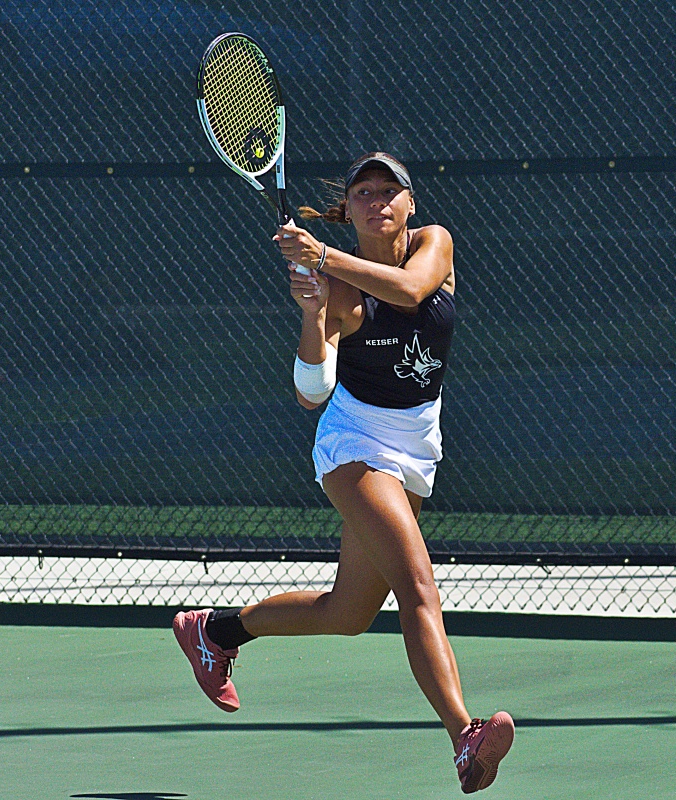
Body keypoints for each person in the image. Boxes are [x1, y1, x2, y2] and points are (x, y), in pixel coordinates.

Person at [173, 152, 513, 793]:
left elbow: (412, 293)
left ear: (410, 204)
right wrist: (312, 310)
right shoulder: (337, 288)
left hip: (416, 446)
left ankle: (215, 630)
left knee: (348, 612)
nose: (379, 200)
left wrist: (323, 259)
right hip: (355, 446)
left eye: (391, 190)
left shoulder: (433, 246)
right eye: (364, 191)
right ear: (348, 207)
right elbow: (311, 390)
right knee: (419, 588)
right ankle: (464, 738)